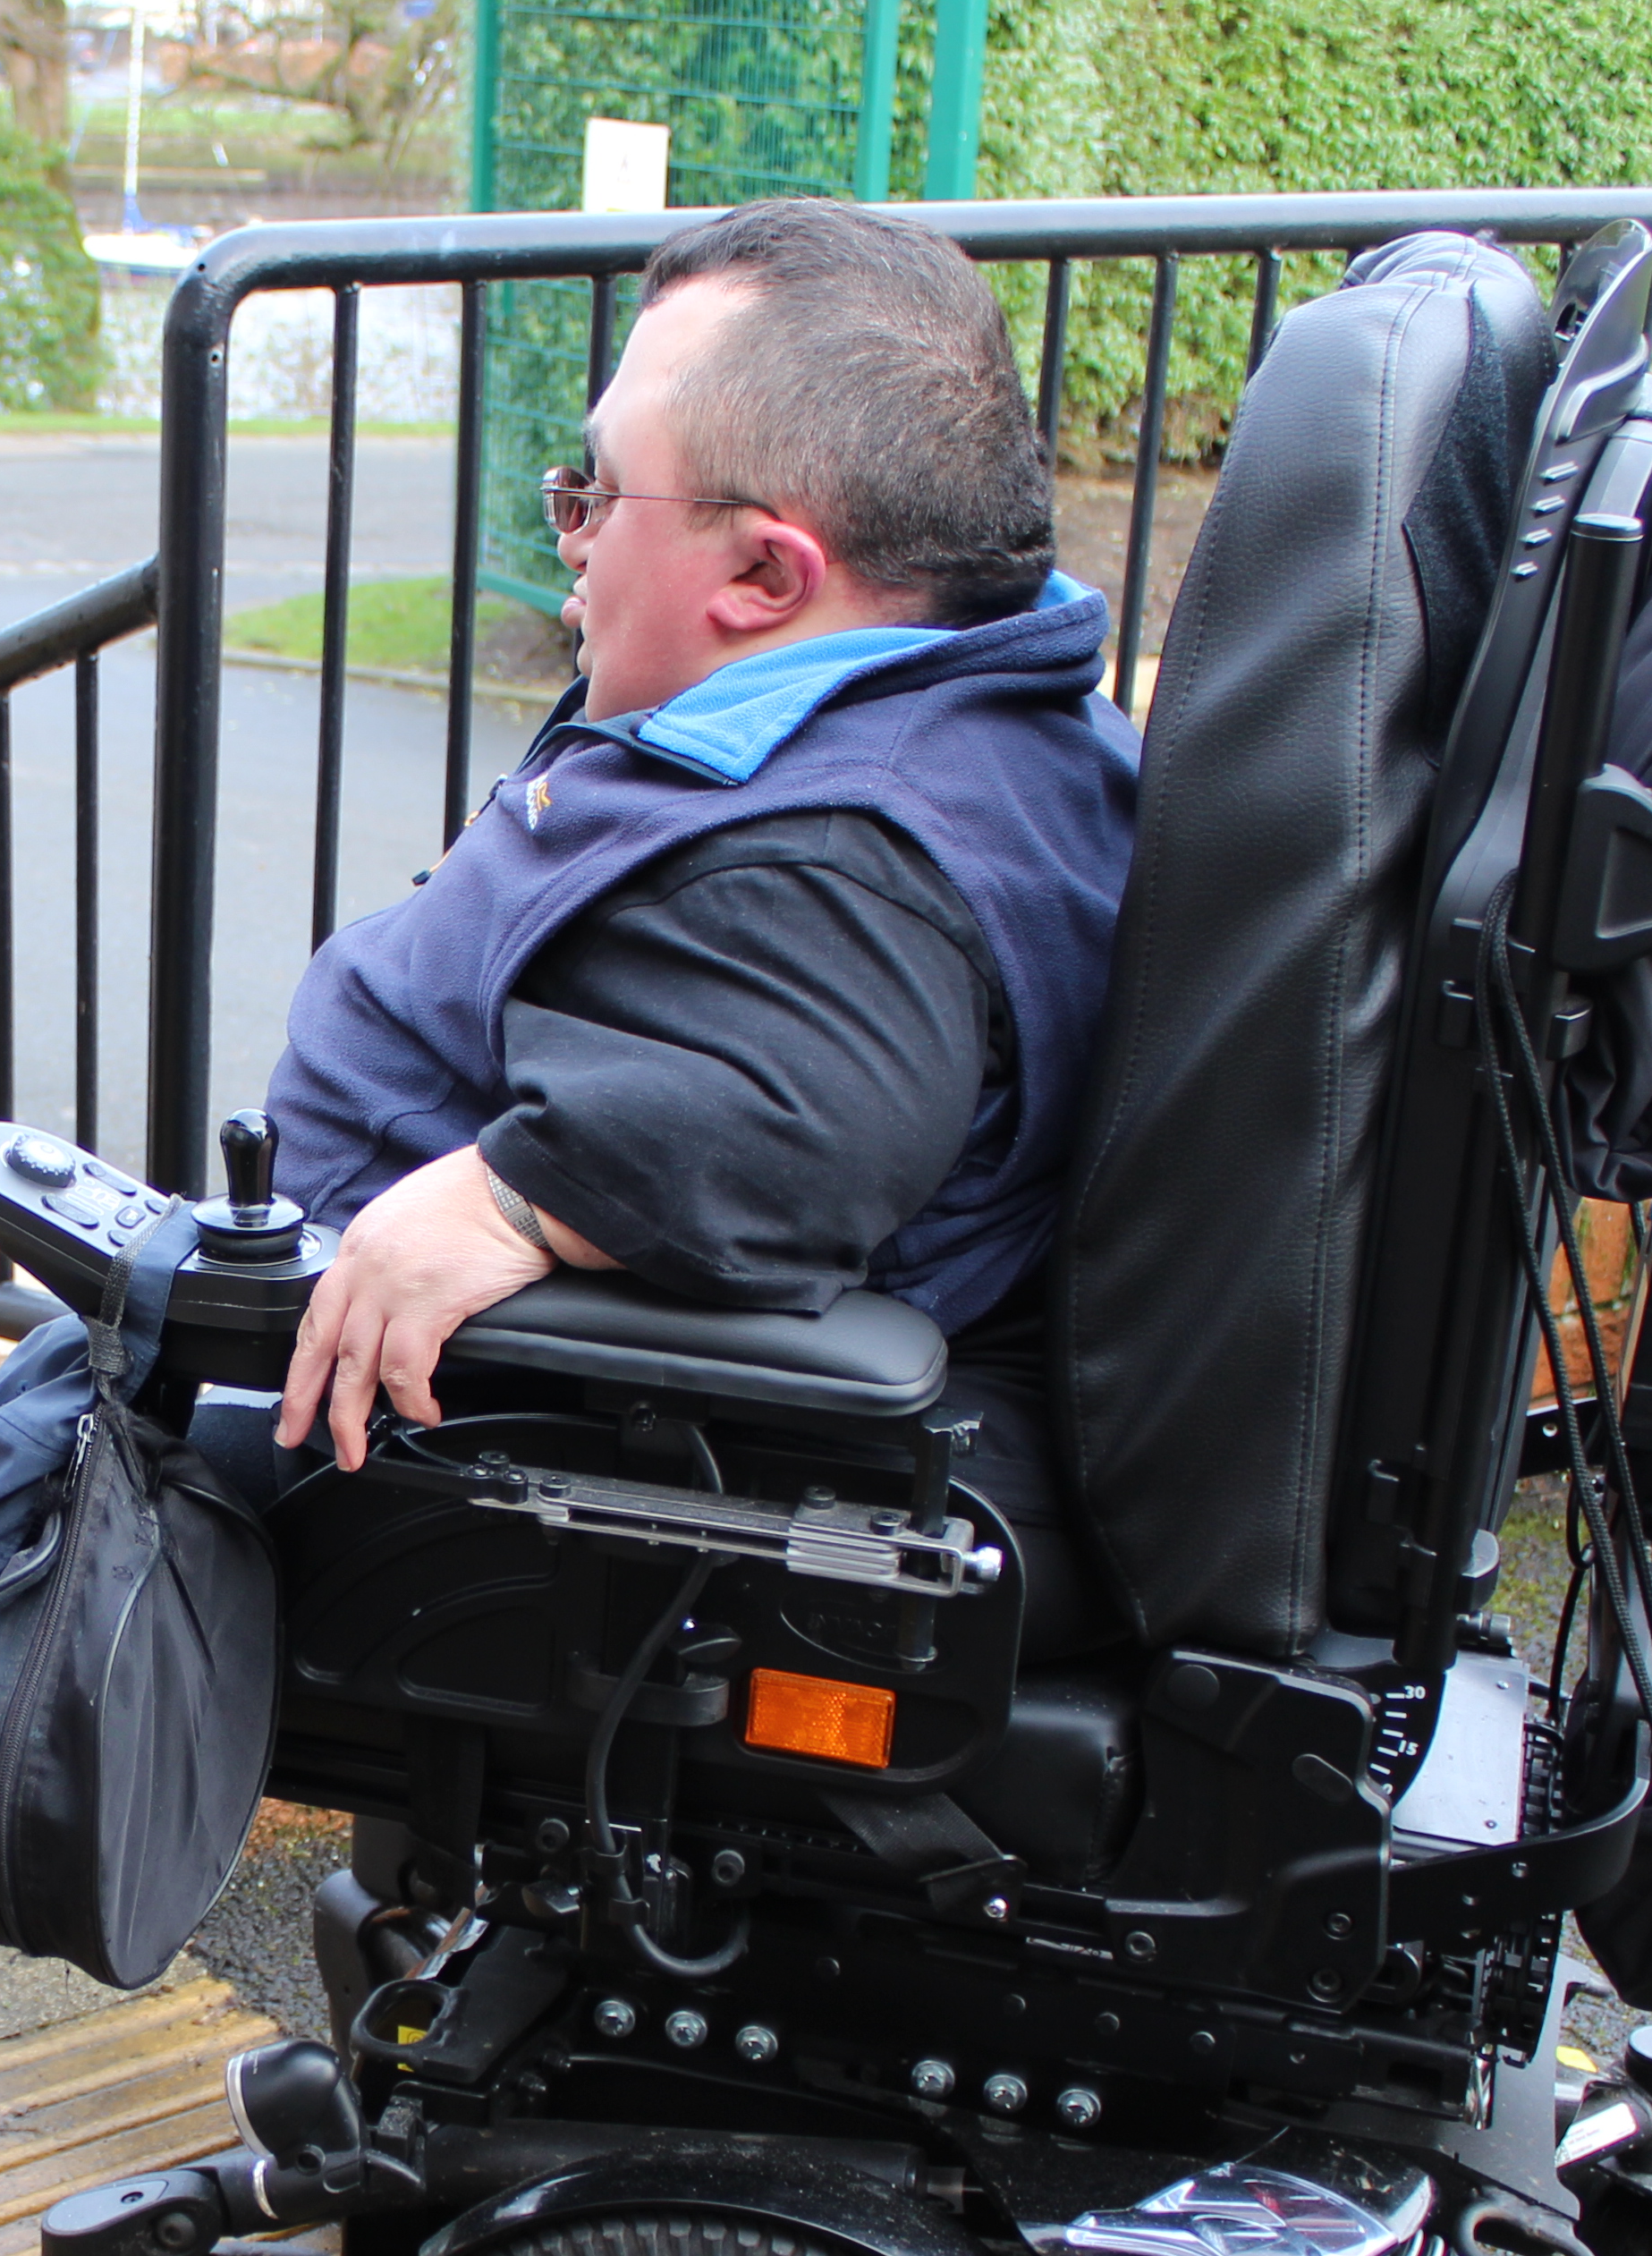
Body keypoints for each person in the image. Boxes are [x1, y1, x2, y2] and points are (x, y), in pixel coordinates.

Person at [244, 198, 1139, 1641]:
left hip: (487, 1450)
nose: (574, 544)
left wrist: (511, 1199)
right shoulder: (935, 709)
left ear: (767, 576)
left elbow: (806, 1119)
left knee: (29, 1510)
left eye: (599, 497)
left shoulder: (848, 856)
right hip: (459, 1385)